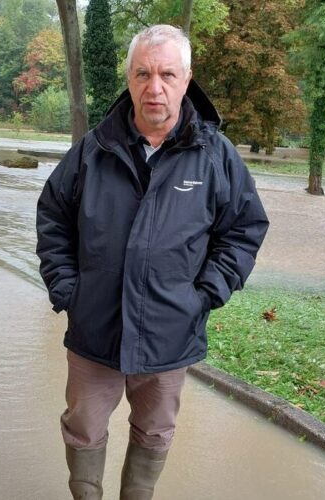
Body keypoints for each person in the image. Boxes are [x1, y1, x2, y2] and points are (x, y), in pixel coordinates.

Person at [36, 25, 269, 499]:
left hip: (169, 333)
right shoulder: (93, 150)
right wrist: (67, 289)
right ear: (130, 78)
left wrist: (205, 294)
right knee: (82, 426)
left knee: (155, 432)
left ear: (186, 80)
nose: (154, 87)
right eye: (143, 73)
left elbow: (244, 229)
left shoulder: (215, 156)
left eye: (167, 74)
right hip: (94, 328)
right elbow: (53, 218)